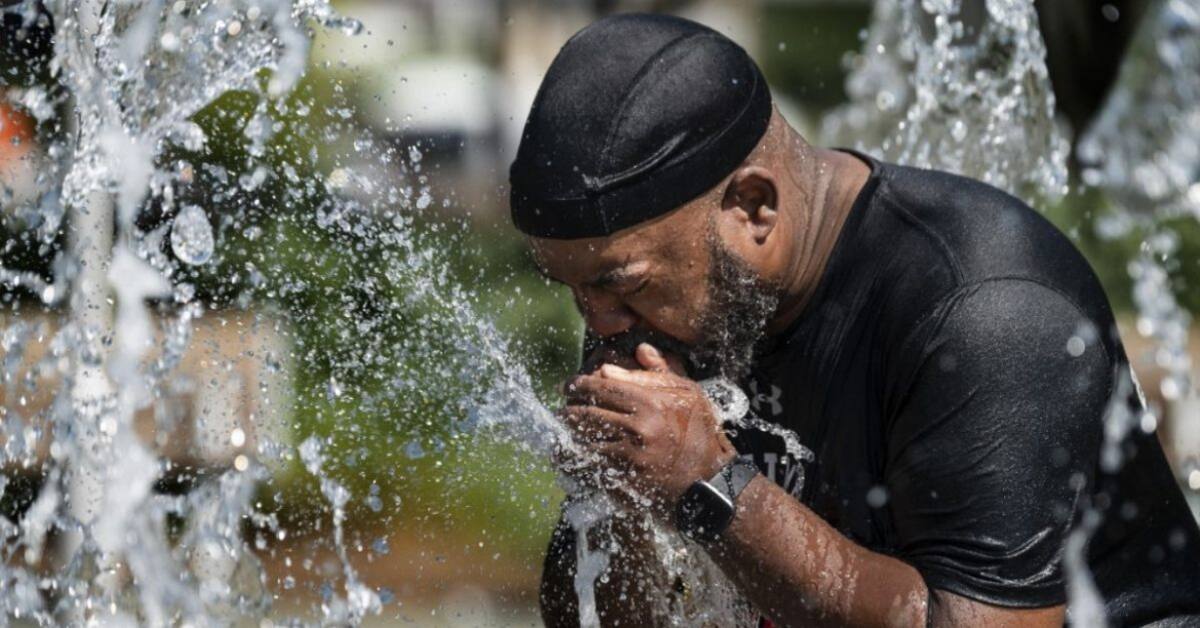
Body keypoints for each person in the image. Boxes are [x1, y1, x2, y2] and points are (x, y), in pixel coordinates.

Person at [509, 13, 1200, 627]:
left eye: (617, 285)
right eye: (572, 289)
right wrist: (622, 501)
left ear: (753, 207)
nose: (600, 325)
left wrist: (711, 486)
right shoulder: (674, 301)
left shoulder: (985, 309)